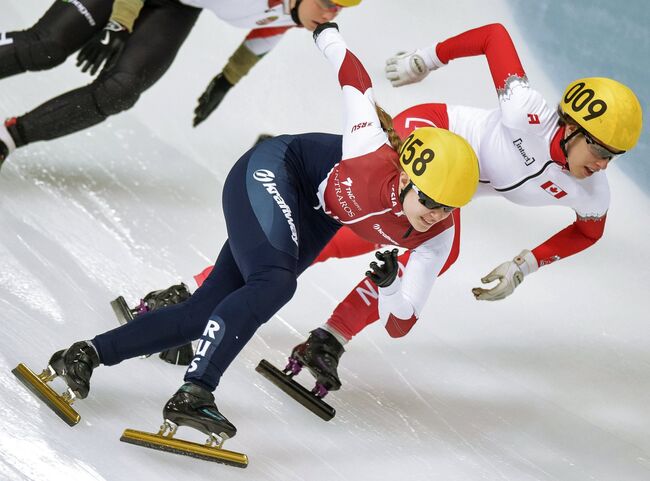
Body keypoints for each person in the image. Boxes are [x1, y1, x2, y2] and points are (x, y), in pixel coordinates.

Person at [15, 23, 479, 457]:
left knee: (203, 314)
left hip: (313, 220)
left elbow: (401, 322)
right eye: (432, 200)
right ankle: (196, 390)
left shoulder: (437, 234)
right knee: (276, 282)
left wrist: (392, 285)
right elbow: (353, 78)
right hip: (274, 172)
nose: (436, 215)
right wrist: (325, 31)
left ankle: (85, 354)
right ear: (405, 177)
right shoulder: (369, 145)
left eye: (449, 208)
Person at [127, 23, 642, 393]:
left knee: (412, 246)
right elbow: (493, 37)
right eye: (599, 151)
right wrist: (428, 58)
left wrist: (527, 264)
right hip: (432, 139)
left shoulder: (589, 189)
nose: (603, 165)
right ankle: (197, 294)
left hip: (455, 187)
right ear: (572, 128)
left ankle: (326, 334)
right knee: (344, 229)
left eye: (614, 157)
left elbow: (589, 232)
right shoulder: (524, 111)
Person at [0, 0, 362, 169]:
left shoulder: (293, 9)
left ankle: (9, 138)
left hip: (177, 5)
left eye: (339, 9)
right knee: (46, 47)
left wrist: (227, 79)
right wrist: (120, 21)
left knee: (120, 90)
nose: (332, 14)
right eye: (328, 3)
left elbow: (270, 30)